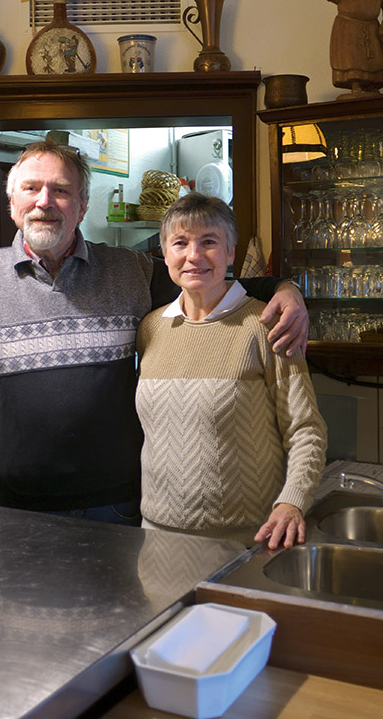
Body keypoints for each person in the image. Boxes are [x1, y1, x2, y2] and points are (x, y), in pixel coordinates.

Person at [0, 140, 309, 523]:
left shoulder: (131, 271)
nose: (44, 202)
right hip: (16, 508)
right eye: (31, 189)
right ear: (13, 203)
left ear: (82, 205)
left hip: (119, 506)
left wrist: (284, 288)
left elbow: (207, 278)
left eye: (61, 190)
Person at [135, 193, 327, 550]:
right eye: (180, 243)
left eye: (209, 242)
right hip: (157, 535)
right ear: (165, 254)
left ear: (231, 253)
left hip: (245, 538)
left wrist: (292, 501)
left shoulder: (266, 325)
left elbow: (306, 429)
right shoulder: (150, 329)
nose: (194, 256)